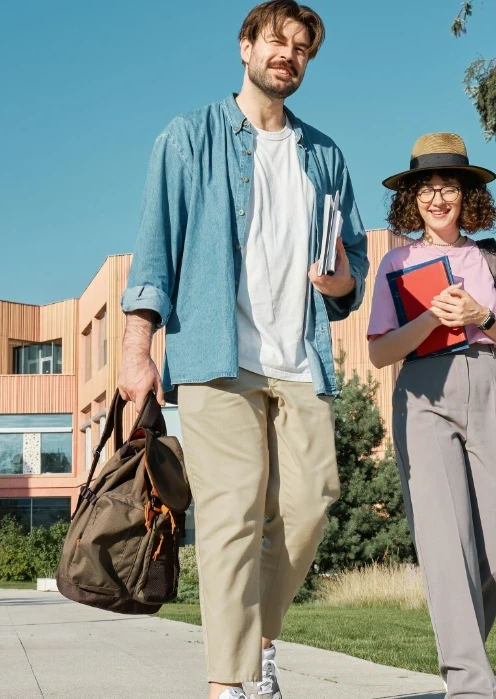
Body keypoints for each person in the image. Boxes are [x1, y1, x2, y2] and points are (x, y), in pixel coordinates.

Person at [117, 3, 368, 698]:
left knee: (314, 501)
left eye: (302, 49)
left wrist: (340, 279)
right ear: (246, 47)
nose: (288, 55)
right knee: (232, 515)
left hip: (299, 359)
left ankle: (256, 643)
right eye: (277, 42)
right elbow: (154, 251)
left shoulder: (324, 155)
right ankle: (229, 686)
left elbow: (353, 260)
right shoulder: (188, 137)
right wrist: (137, 348)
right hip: (214, 356)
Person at [366, 133, 496, 698]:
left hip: (490, 385)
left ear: (467, 196)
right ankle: (469, 686)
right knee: (445, 542)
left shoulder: (492, 256)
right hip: (423, 394)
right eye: (426, 188)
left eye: (449, 188)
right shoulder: (396, 260)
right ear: (411, 198)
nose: (437, 199)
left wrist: (479, 312)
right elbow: (380, 352)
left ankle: (464, 652)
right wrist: (432, 321)